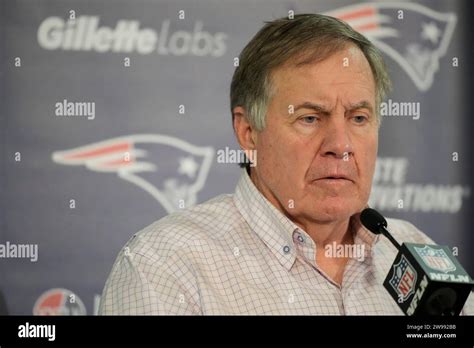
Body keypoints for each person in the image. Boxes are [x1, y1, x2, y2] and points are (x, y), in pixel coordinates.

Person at [99, 14, 473, 315]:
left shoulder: (414, 251)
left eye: (358, 118)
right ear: (248, 133)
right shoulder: (165, 266)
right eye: (310, 118)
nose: (340, 146)